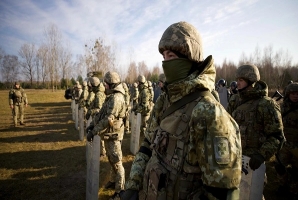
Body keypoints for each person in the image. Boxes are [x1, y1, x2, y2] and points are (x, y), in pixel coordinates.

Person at [122, 21, 241, 200]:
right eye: (164, 56)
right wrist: (133, 184)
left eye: (171, 56)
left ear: (190, 57)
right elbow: (147, 144)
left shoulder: (209, 113)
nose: (165, 62)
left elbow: (221, 192)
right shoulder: (165, 100)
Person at [227, 64, 285, 196]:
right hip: (233, 159)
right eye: (237, 80)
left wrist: (261, 155)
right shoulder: (235, 100)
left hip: (253, 163)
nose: (237, 83)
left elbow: (277, 137)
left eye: (241, 80)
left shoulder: (266, 105)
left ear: (251, 81)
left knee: (252, 194)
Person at [86, 71, 127, 199]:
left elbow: (108, 119)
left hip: (114, 134)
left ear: (112, 84)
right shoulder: (111, 96)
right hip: (109, 134)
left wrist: (94, 131)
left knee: (117, 162)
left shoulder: (117, 98)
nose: (104, 85)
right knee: (111, 159)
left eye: (106, 83)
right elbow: (101, 113)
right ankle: (113, 181)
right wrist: (92, 124)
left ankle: (120, 191)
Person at [275, 82, 298, 197]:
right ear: (288, 94)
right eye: (293, 93)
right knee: (280, 167)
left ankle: (294, 190)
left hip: (297, 146)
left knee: (296, 171)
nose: (295, 96)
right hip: (283, 144)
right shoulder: (281, 107)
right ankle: (282, 186)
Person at [87, 76, 107, 157]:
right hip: (98, 117)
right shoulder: (98, 92)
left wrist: (90, 112)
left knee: (99, 135)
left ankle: (102, 152)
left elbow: (98, 109)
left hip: (99, 118)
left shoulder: (99, 94)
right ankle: (102, 151)